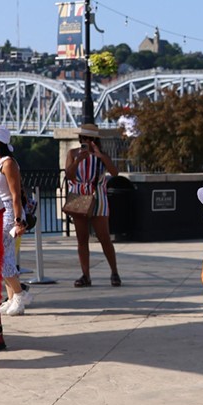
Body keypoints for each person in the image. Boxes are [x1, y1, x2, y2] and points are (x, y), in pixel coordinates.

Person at [0, 124, 32, 316]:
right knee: (4, 256)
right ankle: (12, 298)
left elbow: (15, 194)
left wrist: (19, 221)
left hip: (9, 213)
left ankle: (19, 294)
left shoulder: (8, 163)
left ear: (0, 141)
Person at [64, 123, 121, 287]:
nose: (86, 141)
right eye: (83, 138)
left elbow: (115, 173)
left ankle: (114, 272)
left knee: (104, 237)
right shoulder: (73, 153)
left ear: (95, 140)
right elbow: (69, 175)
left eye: (89, 138)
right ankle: (85, 275)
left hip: (98, 197)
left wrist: (100, 155)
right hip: (79, 197)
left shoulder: (101, 155)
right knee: (82, 238)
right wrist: (78, 160)